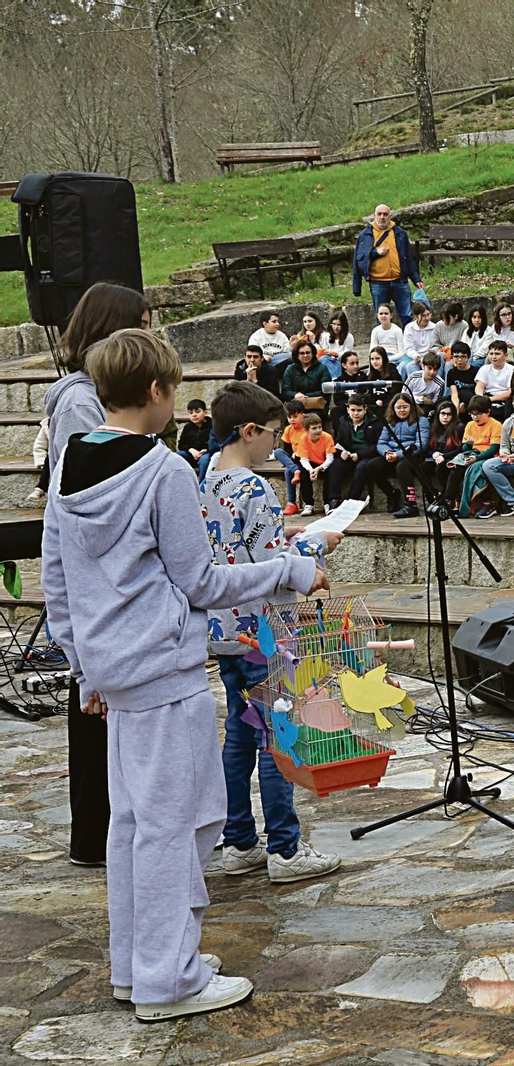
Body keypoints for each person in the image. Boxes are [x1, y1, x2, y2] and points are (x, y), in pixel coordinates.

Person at [43, 329, 327, 1020]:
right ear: (156, 391)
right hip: (163, 670)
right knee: (177, 824)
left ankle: (138, 965)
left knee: (134, 823)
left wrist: (84, 669)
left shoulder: (70, 459)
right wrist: (292, 570)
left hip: (115, 672)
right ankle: (168, 979)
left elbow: (57, 577)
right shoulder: (162, 469)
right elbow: (202, 582)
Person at [201, 381, 343, 888]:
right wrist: (316, 546)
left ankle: (239, 841)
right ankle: (285, 847)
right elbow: (270, 567)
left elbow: (238, 545)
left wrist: (288, 537)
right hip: (264, 631)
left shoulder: (207, 477)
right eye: (274, 433)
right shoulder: (256, 487)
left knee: (239, 736)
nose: (278, 443)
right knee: (277, 736)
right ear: (248, 431)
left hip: (225, 630)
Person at [43, 281, 152, 867]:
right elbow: (86, 491)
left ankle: (108, 832)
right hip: (99, 577)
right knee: (93, 716)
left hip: (108, 575)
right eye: (143, 328)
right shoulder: (81, 403)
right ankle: (94, 836)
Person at [352, 203, 420, 323]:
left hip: (400, 281)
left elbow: (409, 258)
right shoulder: (365, 235)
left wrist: (416, 279)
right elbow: (359, 260)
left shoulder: (400, 233)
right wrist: (376, 253)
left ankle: (408, 336)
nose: (382, 217)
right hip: (378, 283)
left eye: (385, 214)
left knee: (407, 316)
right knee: (382, 319)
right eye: (379, 214)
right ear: (374, 216)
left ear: (390, 217)